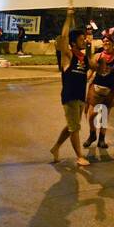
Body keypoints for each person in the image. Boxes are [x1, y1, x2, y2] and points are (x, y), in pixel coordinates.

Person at [50, 9, 92, 166]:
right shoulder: (68, 56)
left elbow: (94, 66)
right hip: (70, 97)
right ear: (73, 42)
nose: (84, 41)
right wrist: (68, 16)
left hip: (81, 97)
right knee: (75, 128)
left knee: (71, 126)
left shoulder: (83, 57)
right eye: (81, 39)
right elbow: (64, 37)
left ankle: (55, 148)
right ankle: (79, 156)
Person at [86, 30, 114, 149]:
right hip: (96, 88)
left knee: (104, 115)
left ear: (113, 43)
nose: (106, 43)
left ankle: (101, 139)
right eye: (104, 41)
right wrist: (83, 80)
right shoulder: (97, 56)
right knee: (92, 115)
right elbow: (91, 72)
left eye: (108, 41)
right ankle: (92, 134)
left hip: (110, 90)